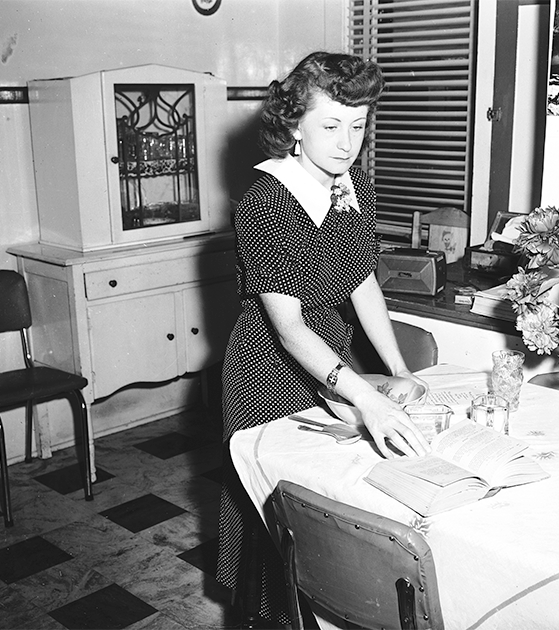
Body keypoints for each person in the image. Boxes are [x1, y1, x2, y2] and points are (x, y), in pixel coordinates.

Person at [216, 51, 431, 627]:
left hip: (331, 354)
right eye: (331, 125)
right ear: (293, 125)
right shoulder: (267, 199)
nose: (347, 142)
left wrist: (399, 370)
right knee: (282, 524)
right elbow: (288, 329)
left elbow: (361, 282)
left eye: (358, 125)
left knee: (337, 508)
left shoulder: (350, 183)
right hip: (268, 371)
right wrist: (368, 397)